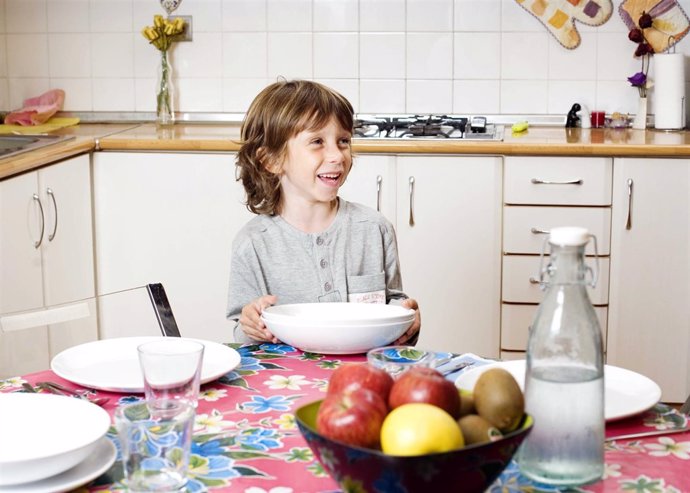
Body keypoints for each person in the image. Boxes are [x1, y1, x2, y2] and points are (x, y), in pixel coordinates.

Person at [226, 79, 421, 345]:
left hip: (362, 377)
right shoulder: (252, 244)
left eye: (343, 141)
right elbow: (242, 335)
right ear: (271, 160)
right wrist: (251, 326)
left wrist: (407, 319)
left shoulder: (374, 229)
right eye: (317, 141)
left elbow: (394, 306)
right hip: (289, 382)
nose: (337, 156)